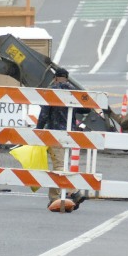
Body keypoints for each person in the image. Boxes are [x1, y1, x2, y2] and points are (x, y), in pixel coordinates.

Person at [35, 68, 86, 207]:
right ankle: (55, 196)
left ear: (56, 78)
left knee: (58, 165)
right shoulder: (73, 91)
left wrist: (38, 130)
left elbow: (44, 114)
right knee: (62, 164)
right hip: (70, 134)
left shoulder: (52, 90)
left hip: (55, 133)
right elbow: (86, 108)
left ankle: (72, 192)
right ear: (67, 78)